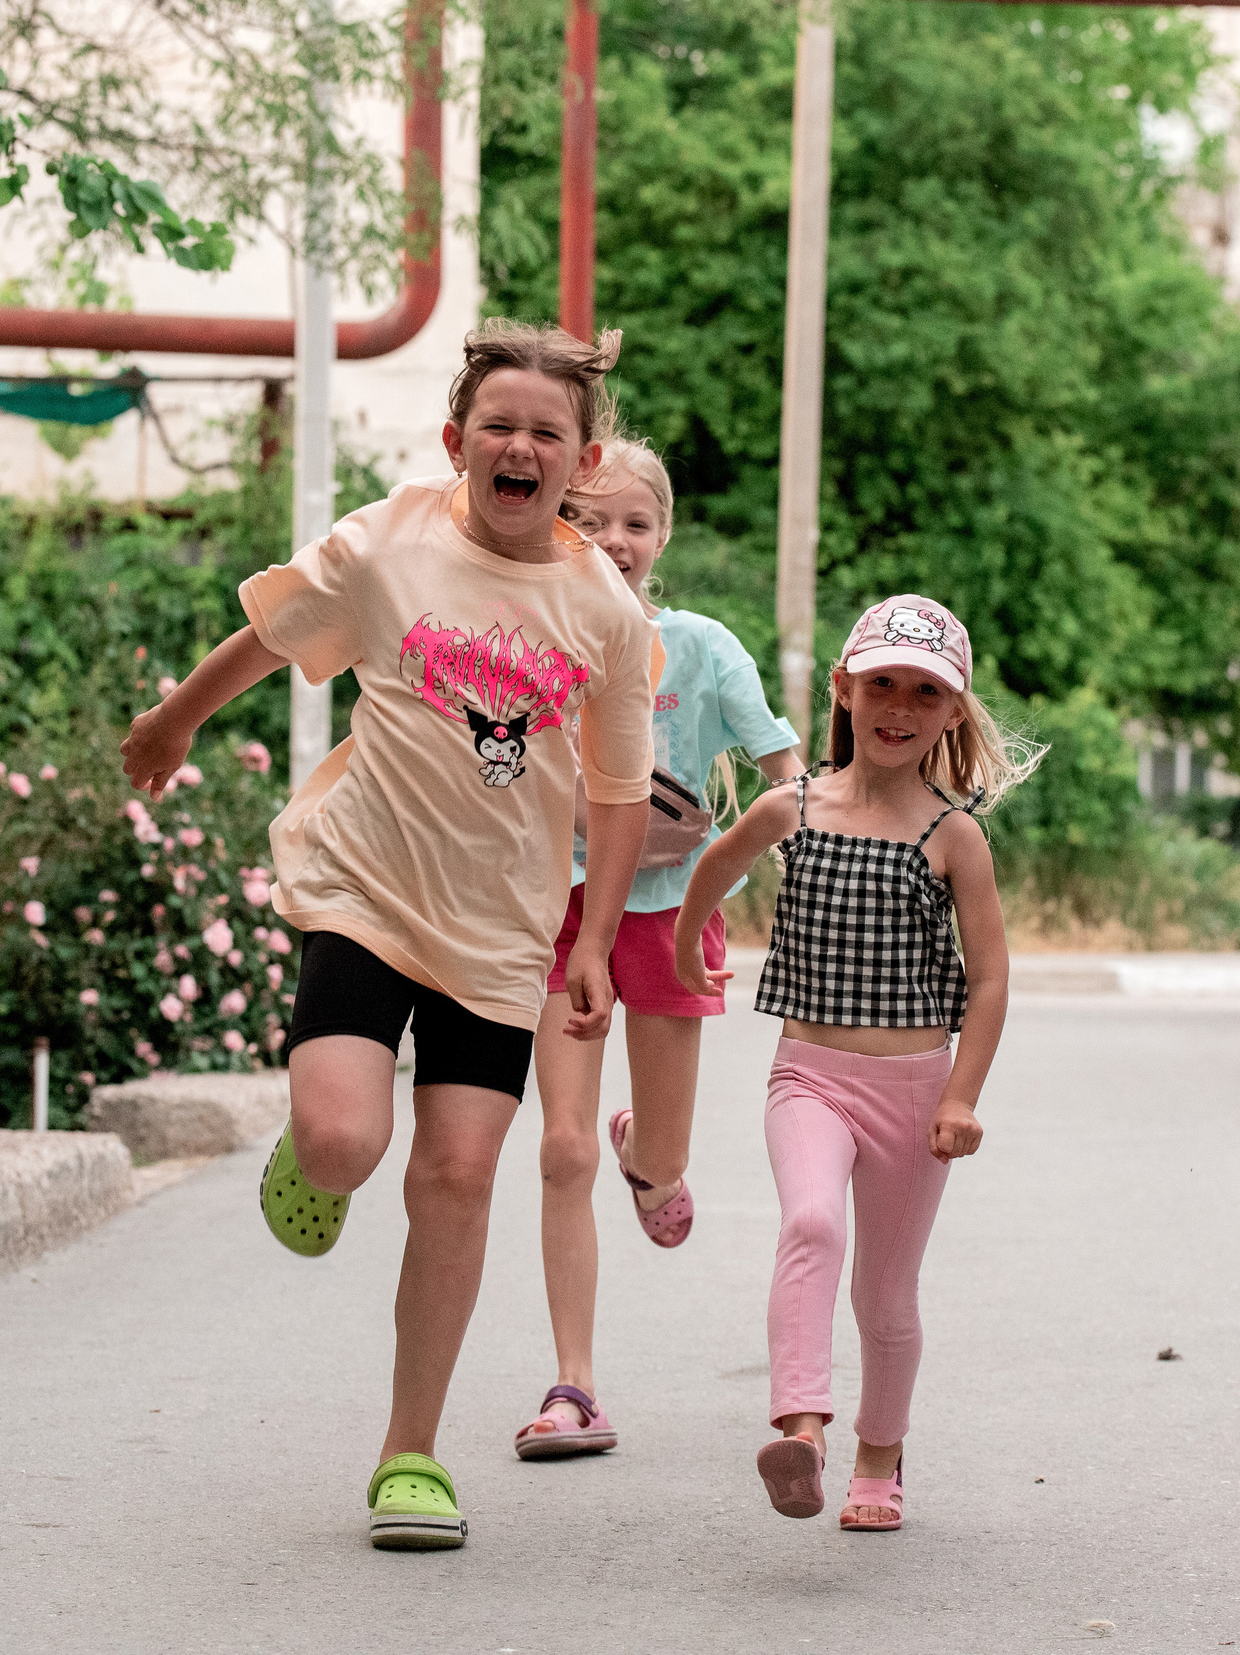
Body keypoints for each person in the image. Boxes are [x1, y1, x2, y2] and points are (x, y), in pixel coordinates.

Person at [118, 318, 658, 1552]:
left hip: (502, 932)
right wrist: (173, 718)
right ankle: (313, 1155)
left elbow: (619, 791)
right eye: (500, 425)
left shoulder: (607, 615)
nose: (521, 446)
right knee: (347, 1139)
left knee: (459, 1176)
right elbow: (274, 634)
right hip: (365, 890)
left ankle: (408, 1453)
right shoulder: (388, 542)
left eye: (549, 433)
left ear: (581, 462)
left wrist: (594, 941)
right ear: (457, 438)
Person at [672, 594, 1037, 1532]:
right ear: (843, 687)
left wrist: (962, 1095)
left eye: (925, 691)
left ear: (952, 712)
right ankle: (803, 1431)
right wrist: (686, 953)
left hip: (915, 1092)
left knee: (885, 1294)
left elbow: (990, 978)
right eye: (882, 683)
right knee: (808, 1223)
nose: (900, 706)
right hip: (809, 1075)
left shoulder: (953, 835)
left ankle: (881, 1455)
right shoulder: (791, 807)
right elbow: (710, 869)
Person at [512, 438, 807, 1462]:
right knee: (560, 1145)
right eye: (588, 521)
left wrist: (705, 839)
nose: (612, 540)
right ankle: (573, 1388)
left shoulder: (704, 647)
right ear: (556, 525)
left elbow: (787, 781)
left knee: (660, 1157)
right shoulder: (527, 636)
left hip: (675, 922)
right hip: (559, 918)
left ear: (662, 538)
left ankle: (649, 1156)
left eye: (633, 523)